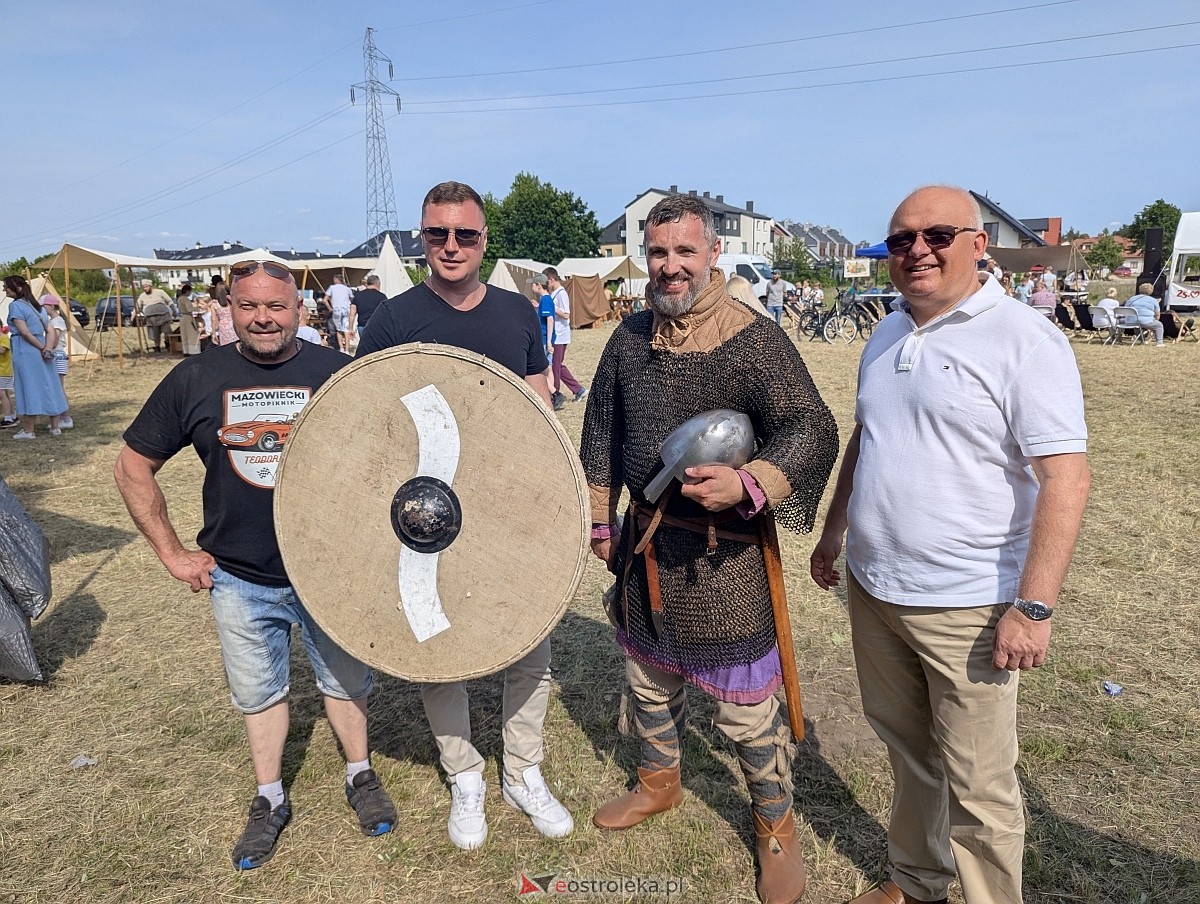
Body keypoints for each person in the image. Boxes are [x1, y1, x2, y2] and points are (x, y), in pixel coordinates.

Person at [809, 185, 1090, 904]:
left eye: (936, 235)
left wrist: (1033, 606)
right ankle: (917, 880)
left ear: (978, 242)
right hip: (875, 591)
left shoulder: (1024, 338)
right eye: (901, 240)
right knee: (909, 755)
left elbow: (1065, 478)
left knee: (980, 787)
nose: (916, 252)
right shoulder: (885, 332)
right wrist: (834, 530)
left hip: (967, 604)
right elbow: (867, 439)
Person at [579, 195, 839, 904]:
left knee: (748, 709)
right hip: (645, 550)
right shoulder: (629, 340)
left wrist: (751, 479)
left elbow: (811, 427)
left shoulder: (751, 339)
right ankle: (658, 783)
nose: (669, 267)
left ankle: (775, 827)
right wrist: (603, 526)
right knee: (647, 680)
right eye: (658, 253)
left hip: (723, 556)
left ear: (712, 253)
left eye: (683, 253)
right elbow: (601, 432)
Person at [113, 260, 397, 871]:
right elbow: (133, 465)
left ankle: (361, 773)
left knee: (346, 680)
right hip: (238, 574)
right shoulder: (195, 377)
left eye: (276, 306)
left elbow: (388, 458)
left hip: (327, 571)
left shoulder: (336, 372)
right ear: (230, 309)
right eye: (249, 307)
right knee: (258, 691)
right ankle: (269, 798)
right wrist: (170, 551)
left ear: (300, 310)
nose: (263, 318)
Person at [355, 180, 571, 851]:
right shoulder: (393, 319)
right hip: (425, 512)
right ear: (423, 239)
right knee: (437, 647)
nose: (450, 246)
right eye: (437, 234)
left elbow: (539, 408)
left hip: (505, 509)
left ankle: (524, 771)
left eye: (465, 235)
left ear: (484, 241)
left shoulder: (515, 313)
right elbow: (368, 416)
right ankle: (467, 775)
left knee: (527, 641)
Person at [3, 276, 68, 439]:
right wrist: (47, 347)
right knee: (50, 384)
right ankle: (55, 426)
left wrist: (41, 348)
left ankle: (28, 429)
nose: (4, 290)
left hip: (26, 350)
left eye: (6, 287)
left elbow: (24, 332)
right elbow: (50, 330)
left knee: (27, 386)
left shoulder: (16, 306)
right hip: (43, 347)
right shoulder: (37, 307)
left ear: (16, 288)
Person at [543, 267, 586, 410]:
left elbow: (567, 314)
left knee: (555, 368)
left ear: (551, 279)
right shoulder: (554, 293)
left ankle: (556, 395)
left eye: (547, 282)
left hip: (560, 335)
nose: (546, 286)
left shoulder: (561, 294)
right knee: (558, 366)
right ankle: (578, 390)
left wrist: (551, 308)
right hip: (557, 334)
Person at [40, 296, 74, 428]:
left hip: (58, 355)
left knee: (58, 388)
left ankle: (65, 418)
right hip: (56, 354)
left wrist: (49, 347)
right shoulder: (53, 320)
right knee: (55, 388)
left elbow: (56, 337)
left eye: (44, 306)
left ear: (51, 306)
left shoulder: (57, 321)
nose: (42, 309)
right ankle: (61, 417)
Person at [138, 279, 174, 353]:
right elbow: (138, 305)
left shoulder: (160, 292)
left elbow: (169, 301)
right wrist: (133, 314)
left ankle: (168, 344)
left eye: (147, 286)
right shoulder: (142, 296)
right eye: (144, 287)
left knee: (167, 332)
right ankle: (157, 346)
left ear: (151, 286)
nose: (145, 288)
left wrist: (174, 310)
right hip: (151, 318)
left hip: (163, 315)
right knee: (155, 334)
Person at [529, 272, 556, 368]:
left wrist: (548, 342)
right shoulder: (544, 300)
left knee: (547, 369)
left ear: (539, 285)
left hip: (545, 340)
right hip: (544, 339)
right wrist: (538, 307)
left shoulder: (545, 299)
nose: (531, 287)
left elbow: (550, 320)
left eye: (532, 284)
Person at [349, 274, 386, 340]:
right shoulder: (382, 297)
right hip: (378, 327)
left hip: (362, 326)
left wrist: (350, 328)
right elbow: (386, 314)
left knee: (366, 348)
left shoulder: (358, 296)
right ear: (377, 283)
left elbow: (352, 314)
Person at [326, 274, 353, 354]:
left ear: (335, 280)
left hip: (336, 310)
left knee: (339, 330)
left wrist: (330, 308)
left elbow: (325, 299)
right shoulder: (347, 289)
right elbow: (352, 299)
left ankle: (341, 348)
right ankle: (347, 349)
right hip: (345, 310)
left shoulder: (332, 288)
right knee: (346, 330)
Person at [177, 283, 201, 355]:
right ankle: (193, 350)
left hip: (182, 317)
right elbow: (189, 309)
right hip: (188, 317)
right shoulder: (185, 299)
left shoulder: (179, 298)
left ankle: (186, 350)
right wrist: (198, 308)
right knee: (192, 334)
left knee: (184, 335)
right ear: (187, 291)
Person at [210, 275, 235, 346]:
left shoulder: (215, 304)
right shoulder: (232, 301)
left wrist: (214, 333)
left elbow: (213, 319)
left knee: (225, 347)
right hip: (234, 325)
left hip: (223, 327)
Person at [0, 325, 16, 428]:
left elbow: (2, 350)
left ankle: (8, 418)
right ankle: (12, 415)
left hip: (3, 371)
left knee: (1, 395)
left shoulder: (4, 337)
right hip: (3, 372)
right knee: (5, 394)